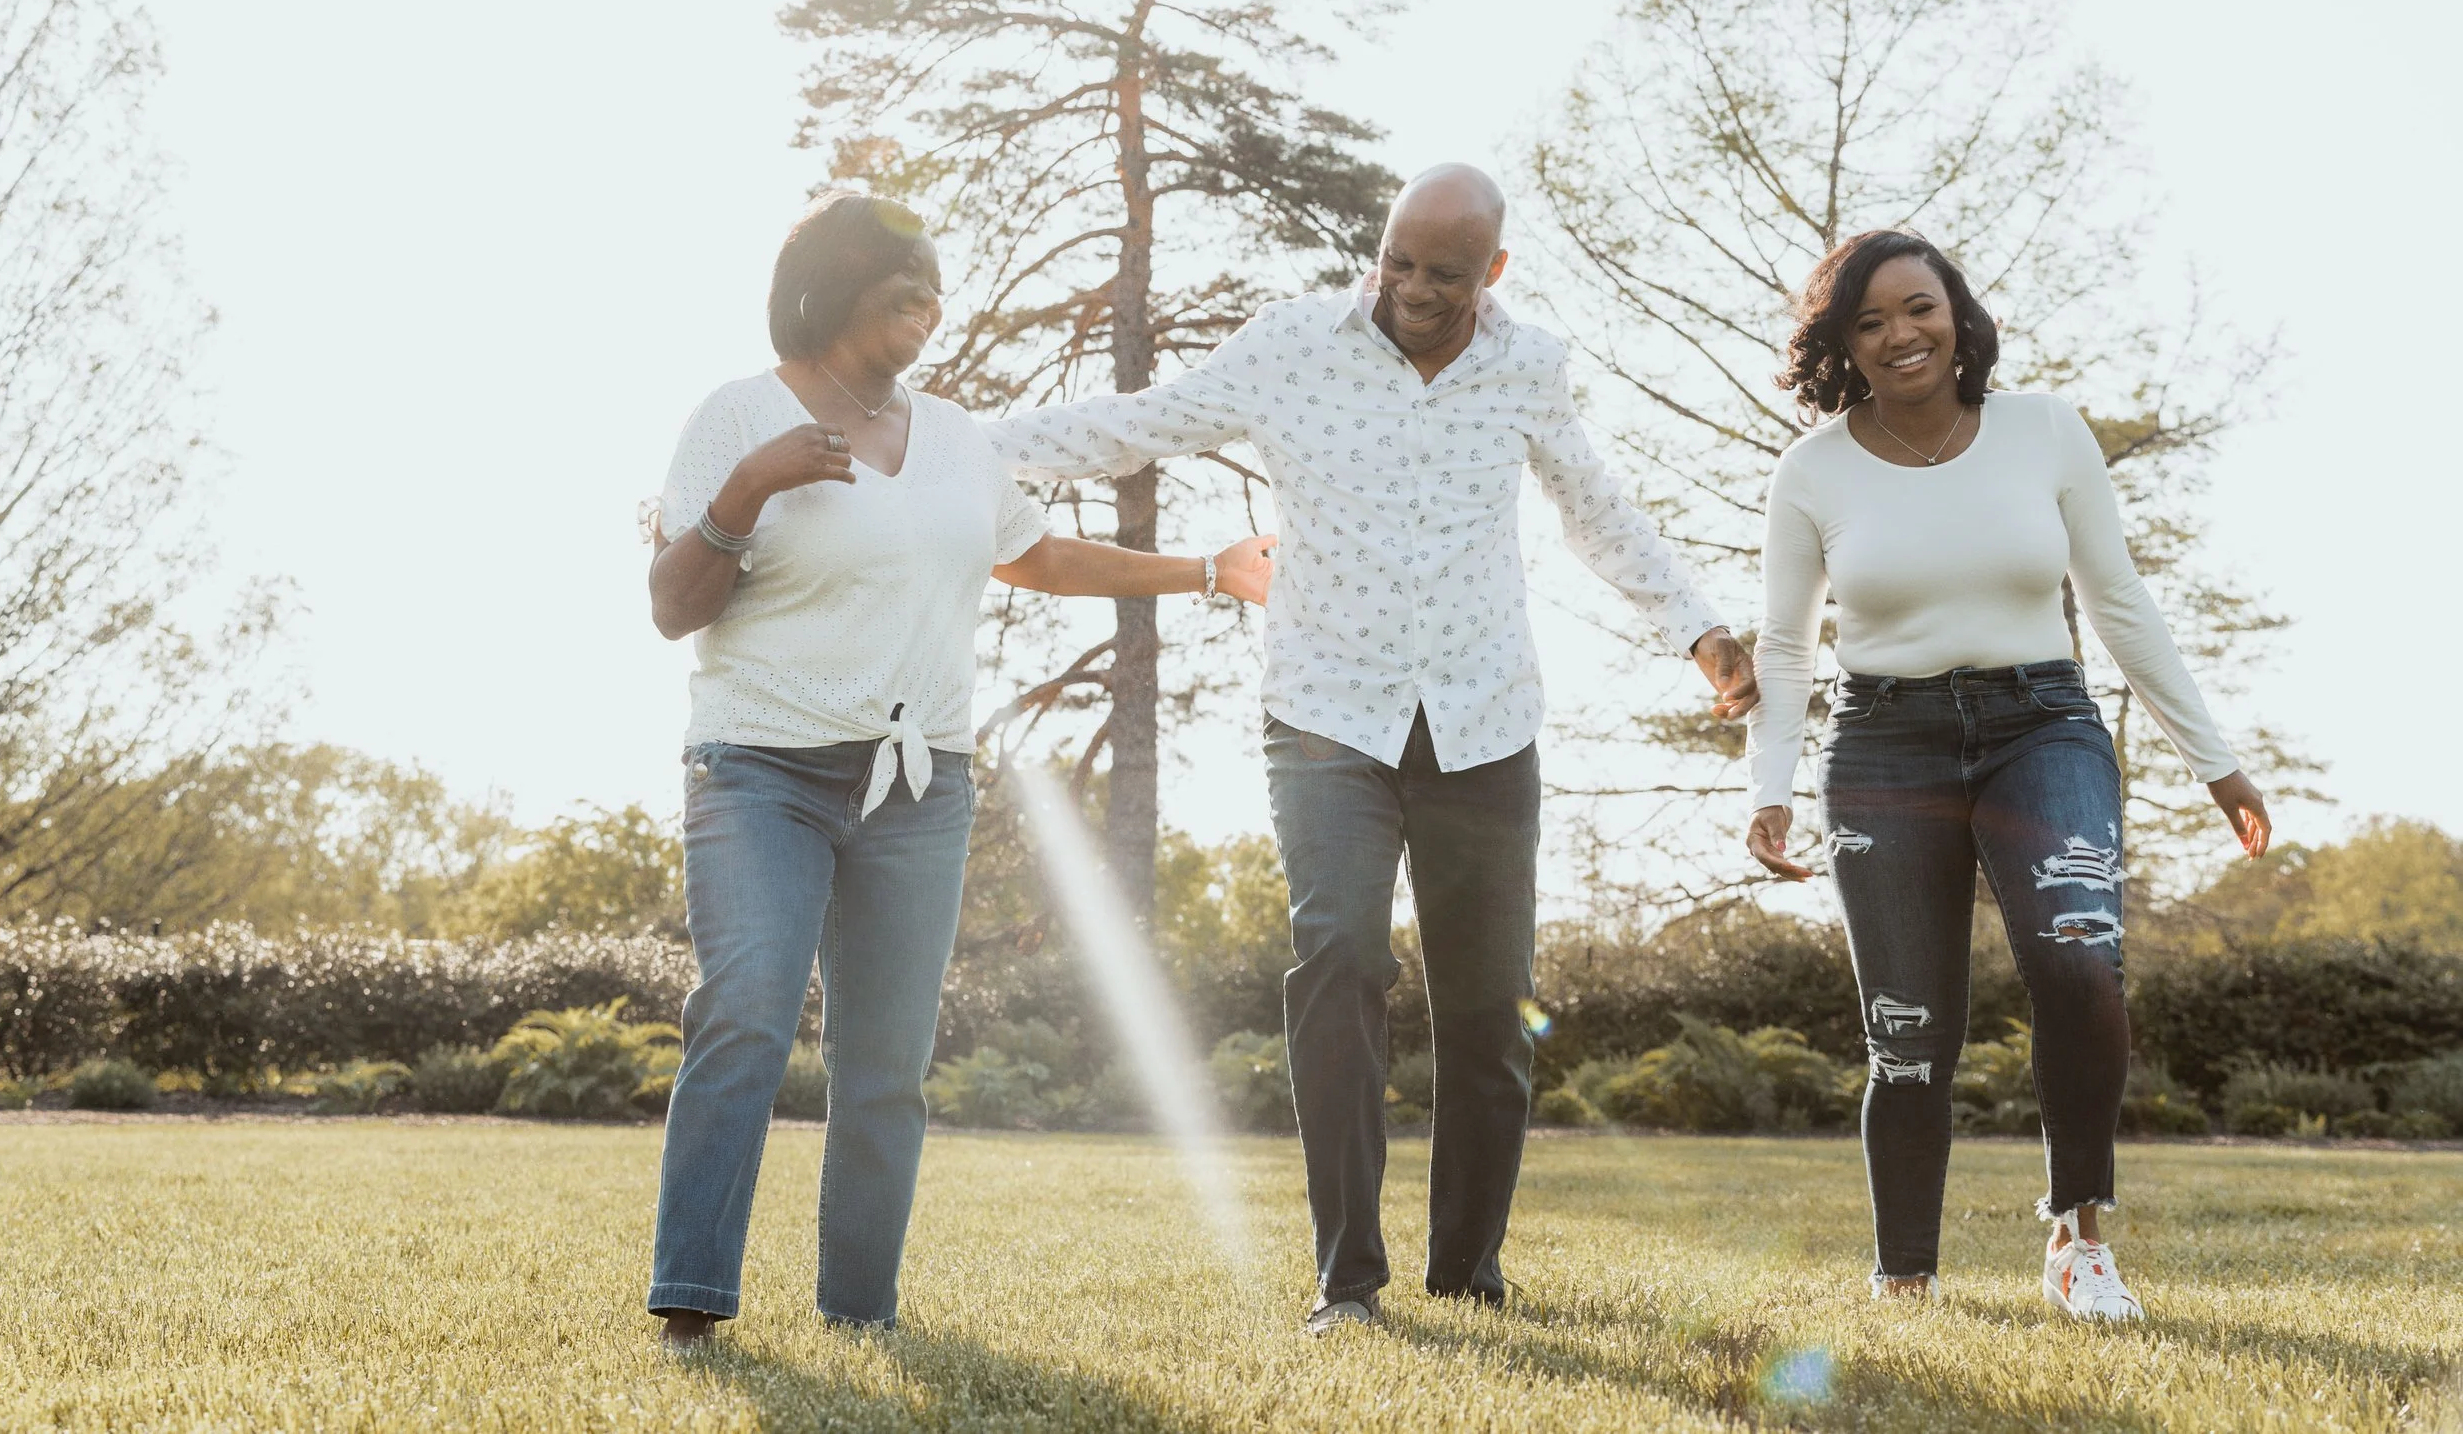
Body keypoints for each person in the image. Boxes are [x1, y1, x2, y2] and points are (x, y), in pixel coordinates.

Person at [987, 164, 1757, 1335]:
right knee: (1339, 955)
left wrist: (1695, 628)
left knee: (1488, 1007)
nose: (1412, 287)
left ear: (1492, 270)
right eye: (1398, 260)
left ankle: (1467, 1273)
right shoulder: (1291, 345)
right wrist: (950, 442)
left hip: (1483, 721)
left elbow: (1596, 510)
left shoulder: (1528, 366)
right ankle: (1346, 1280)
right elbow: (1134, 423)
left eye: (1444, 272)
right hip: (1326, 715)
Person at [644, 191, 1273, 1345]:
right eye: (905, 284)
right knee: (747, 1014)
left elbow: (1041, 556)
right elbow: (674, 607)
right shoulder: (737, 415)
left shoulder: (954, 438)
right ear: (832, 285)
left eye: (936, 289)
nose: (929, 305)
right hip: (761, 772)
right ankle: (692, 1301)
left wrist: (1205, 570)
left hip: (918, 781)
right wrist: (749, 487)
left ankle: (860, 1309)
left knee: (887, 1062)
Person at [1742, 228, 2272, 1321]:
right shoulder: (1813, 469)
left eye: (1918, 307)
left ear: (1958, 313)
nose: (1900, 334)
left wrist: (2212, 760)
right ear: (1841, 342)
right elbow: (1786, 644)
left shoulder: (2043, 429)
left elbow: (2118, 601)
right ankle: (1905, 1275)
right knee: (1906, 1027)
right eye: (1869, 321)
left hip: (2043, 723)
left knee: (2080, 958)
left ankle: (2078, 1239)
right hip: (1882, 742)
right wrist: (1770, 785)